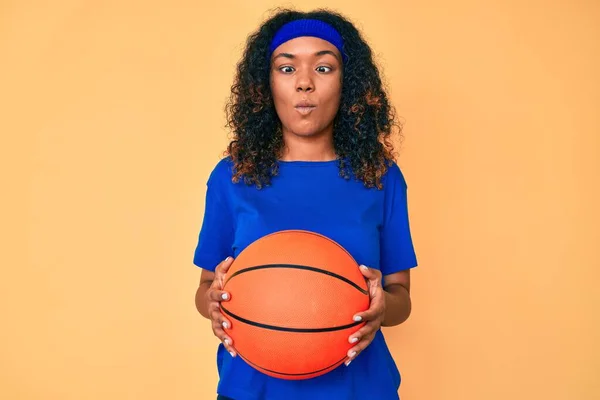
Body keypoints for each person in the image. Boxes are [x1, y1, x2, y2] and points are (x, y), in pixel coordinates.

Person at [193, 8, 418, 400]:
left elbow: (401, 297)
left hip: (360, 390)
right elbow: (205, 289)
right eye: (286, 68)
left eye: (324, 68)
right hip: (251, 389)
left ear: (347, 84)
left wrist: (382, 308)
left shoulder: (380, 177)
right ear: (266, 85)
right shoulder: (232, 177)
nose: (304, 84)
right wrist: (213, 301)